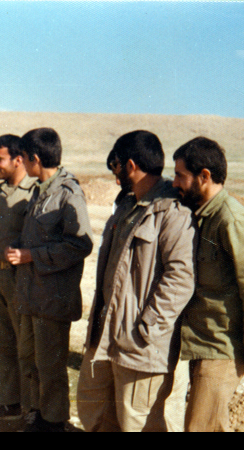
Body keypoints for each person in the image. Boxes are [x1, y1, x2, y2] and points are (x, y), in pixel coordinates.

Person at [77, 130, 196, 432]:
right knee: (98, 415)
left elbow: (181, 277)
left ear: (130, 165)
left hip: (141, 348)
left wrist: (146, 329)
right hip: (108, 338)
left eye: (116, 167)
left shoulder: (173, 211)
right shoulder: (128, 206)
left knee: (139, 423)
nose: (115, 177)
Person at [7, 128, 93, 432]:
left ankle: (54, 423)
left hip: (53, 298)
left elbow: (80, 244)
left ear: (35, 158)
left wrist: (32, 255)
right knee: (30, 359)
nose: (21, 162)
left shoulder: (68, 193)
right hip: (32, 295)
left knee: (51, 366)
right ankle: (38, 415)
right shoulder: (39, 190)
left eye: (23, 157)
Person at [172, 137, 244, 432]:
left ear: (204, 176)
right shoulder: (200, 216)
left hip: (221, 348)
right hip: (201, 345)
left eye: (180, 175)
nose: (174, 182)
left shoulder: (229, 218)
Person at [0, 135, 37, 422]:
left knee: (25, 346)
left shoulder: (33, 192)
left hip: (19, 278)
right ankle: (8, 402)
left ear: (18, 159)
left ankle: (31, 407)